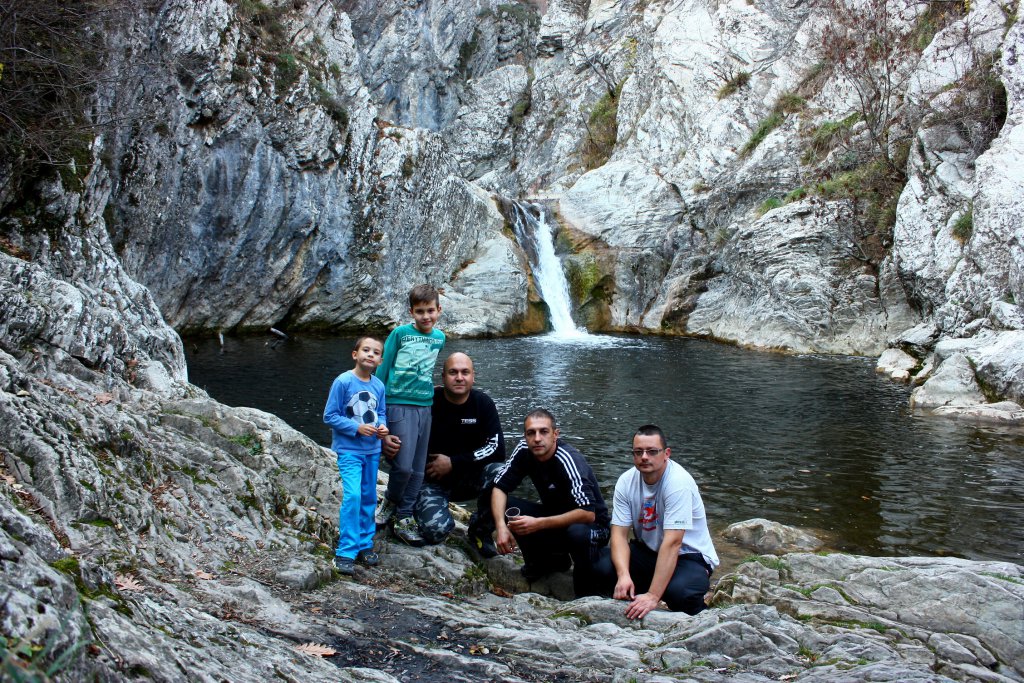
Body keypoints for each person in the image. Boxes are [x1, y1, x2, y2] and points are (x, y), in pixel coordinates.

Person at [591, 424, 719, 618]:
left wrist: (653, 596)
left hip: (689, 556)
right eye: (638, 452)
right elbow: (618, 535)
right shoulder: (626, 481)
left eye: (652, 451)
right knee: (600, 565)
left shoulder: (678, 483)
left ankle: (702, 617)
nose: (644, 457)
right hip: (650, 551)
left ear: (666, 453)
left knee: (680, 593)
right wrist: (623, 575)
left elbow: (673, 542)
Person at [486, 409, 610, 595]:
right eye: (531, 433)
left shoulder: (569, 459)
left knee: (577, 533)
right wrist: (501, 527)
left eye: (543, 432)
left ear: (555, 434)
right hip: (555, 518)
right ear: (525, 436)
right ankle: (548, 562)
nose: (537, 439)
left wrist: (538, 523)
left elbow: (588, 513)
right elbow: (499, 487)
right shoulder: (524, 450)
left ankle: (586, 591)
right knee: (507, 506)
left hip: (593, 526)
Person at [401, 352, 507, 547]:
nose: (459, 377)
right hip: (432, 480)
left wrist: (454, 463)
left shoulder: (483, 403)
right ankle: (417, 511)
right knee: (436, 531)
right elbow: (404, 434)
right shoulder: (428, 402)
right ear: (443, 377)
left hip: (470, 479)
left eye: (465, 372)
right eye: (453, 372)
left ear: (473, 376)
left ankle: (480, 530)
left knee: (501, 472)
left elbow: (497, 449)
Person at [374, 284, 445, 546]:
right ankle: (390, 501)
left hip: (425, 406)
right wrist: (379, 414)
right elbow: (382, 371)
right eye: (420, 311)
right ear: (411, 312)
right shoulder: (400, 334)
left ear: (439, 310)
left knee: (417, 469)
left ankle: (404, 517)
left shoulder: (439, 338)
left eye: (430, 311)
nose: (426, 316)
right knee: (402, 466)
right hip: (398, 404)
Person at [323, 336, 389, 575]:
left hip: (372, 450)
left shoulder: (378, 386)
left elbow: (381, 412)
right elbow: (330, 416)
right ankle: (345, 551)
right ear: (355, 354)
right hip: (349, 450)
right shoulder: (343, 381)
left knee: (369, 497)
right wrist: (356, 428)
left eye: (376, 352)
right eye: (366, 350)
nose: (370, 355)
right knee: (353, 496)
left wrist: (383, 427)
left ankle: (364, 543)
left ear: (381, 360)